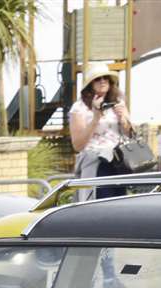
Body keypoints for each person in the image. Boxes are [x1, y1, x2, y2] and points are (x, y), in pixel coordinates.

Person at [68, 62, 132, 202]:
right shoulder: (79, 107)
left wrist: (123, 118)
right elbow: (78, 145)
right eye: (98, 78)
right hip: (96, 162)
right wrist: (96, 118)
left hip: (118, 162)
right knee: (99, 205)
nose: (102, 81)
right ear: (90, 83)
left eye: (105, 78)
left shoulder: (118, 102)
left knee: (121, 204)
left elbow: (130, 134)